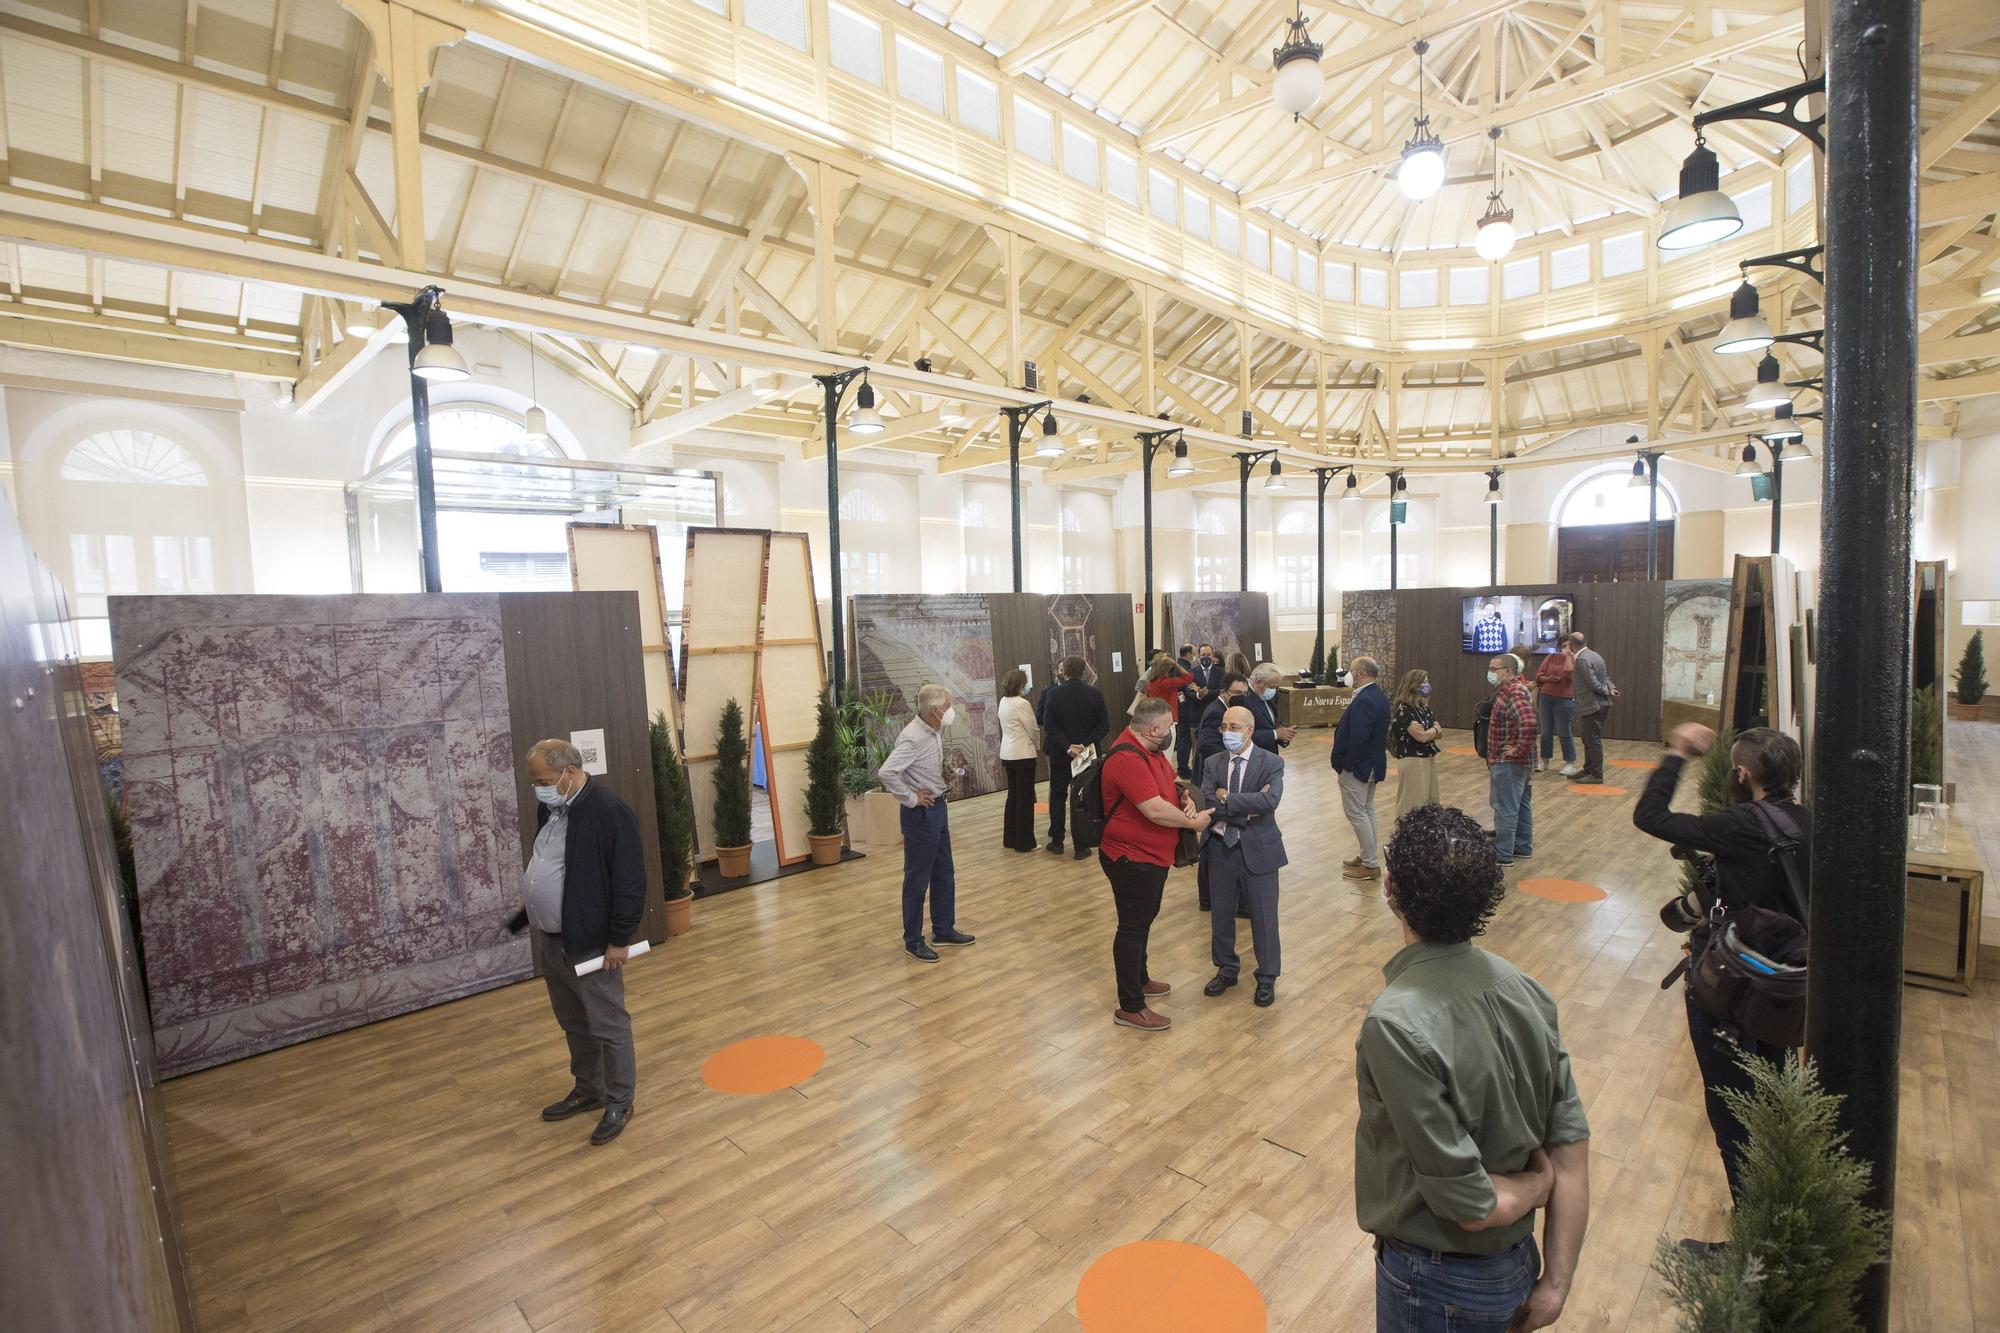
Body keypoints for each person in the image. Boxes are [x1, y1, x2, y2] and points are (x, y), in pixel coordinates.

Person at [1358, 803, 1591, 1332]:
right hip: (1517, 1266)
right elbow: (1571, 1153)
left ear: (1390, 889)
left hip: (1435, 1284)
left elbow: (1472, 1205)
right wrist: (1555, 1283)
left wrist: (1535, 1189)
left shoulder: (1395, 1024)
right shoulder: (1526, 989)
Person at [1634, 724, 1812, 1240]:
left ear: (1740, 774)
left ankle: (1756, 1238)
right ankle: (1779, 1210)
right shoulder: (1811, 822)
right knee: (1774, 1091)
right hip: (1789, 983)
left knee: (1731, 1106)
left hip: (1734, 989)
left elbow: (1651, 817)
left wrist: (1676, 754)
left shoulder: (1739, 826)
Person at [521, 738, 645, 1147]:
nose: (538, 788)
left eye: (543, 780)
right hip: (554, 939)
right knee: (573, 1022)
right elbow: (556, 869)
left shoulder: (610, 813)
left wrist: (618, 940)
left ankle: (620, 1100)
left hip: (592, 945)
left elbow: (629, 883)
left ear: (568, 773)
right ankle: (588, 1088)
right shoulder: (552, 808)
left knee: (608, 1025)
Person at [1098, 697, 1212, 1032]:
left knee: (1144, 919)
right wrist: (1193, 823)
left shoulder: (1151, 750)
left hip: (1151, 856)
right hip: (1131, 858)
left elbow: (1170, 787)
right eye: (1170, 726)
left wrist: (1185, 799)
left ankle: (1141, 977)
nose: (1173, 730)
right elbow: (1154, 810)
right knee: (1132, 926)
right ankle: (1130, 1006)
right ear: (1155, 728)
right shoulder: (1127, 758)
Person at [877, 683, 978, 962]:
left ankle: (943, 929)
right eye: (948, 705)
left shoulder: (933, 730)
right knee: (917, 878)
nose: (951, 710)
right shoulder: (913, 738)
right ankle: (913, 940)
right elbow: (887, 773)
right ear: (935, 710)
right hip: (921, 814)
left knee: (944, 872)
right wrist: (911, 797)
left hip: (938, 807)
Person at [1197, 706, 1287, 1007]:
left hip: (1259, 849)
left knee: (1264, 916)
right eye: (1224, 727)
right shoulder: (1212, 762)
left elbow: (1270, 801)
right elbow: (1206, 802)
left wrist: (1228, 798)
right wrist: (1247, 804)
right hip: (1221, 848)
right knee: (1221, 914)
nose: (1227, 733)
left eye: (1233, 727)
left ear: (1249, 730)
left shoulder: (1271, 762)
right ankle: (1226, 968)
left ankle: (1267, 977)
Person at [1040, 656, 1111, 859]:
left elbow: (1050, 727)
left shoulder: (1053, 694)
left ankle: (1057, 841)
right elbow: (1104, 725)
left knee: (1058, 795)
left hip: (1061, 754)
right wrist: (1085, 745)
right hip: (1087, 753)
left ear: (1065, 671)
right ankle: (1081, 844)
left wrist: (1068, 747)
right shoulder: (1095, 694)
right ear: (1084, 671)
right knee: (1084, 797)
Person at [1193, 671, 1251, 910]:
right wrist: (1227, 759)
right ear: (1225, 692)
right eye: (1237, 693)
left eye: (1244, 694)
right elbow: (1205, 743)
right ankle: (1208, 898)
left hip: (1225, 787)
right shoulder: (1217, 712)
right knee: (1210, 840)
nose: (1241, 698)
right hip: (1214, 782)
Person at [1331, 655, 1390, 882]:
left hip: (1359, 768)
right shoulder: (1377, 695)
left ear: (1361, 674)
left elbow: (1359, 738)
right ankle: (1368, 857)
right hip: (1371, 764)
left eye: (1351, 669)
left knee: (1357, 813)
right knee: (1367, 810)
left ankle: (1370, 864)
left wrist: (1347, 764)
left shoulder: (1365, 699)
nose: (1349, 673)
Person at [1486, 654, 1538, 865]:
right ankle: (1522, 846)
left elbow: (1529, 724)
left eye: (1493, 668)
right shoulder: (1512, 690)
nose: (1490, 672)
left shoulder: (1514, 692)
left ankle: (1503, 854)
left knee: (1505, 807)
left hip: (1510, 763)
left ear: (1508, 671)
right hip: (1517, 763)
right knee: (1522, 804)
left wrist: (1516, 751)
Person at [997, 668, 1040, 854]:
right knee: (1025, 798)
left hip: (1008, 753)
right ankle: (1025, 842)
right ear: (1020, 684)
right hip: (1023, 754)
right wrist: (1037, 746)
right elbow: (1033, 729)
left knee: (1013, 796)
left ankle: (1010, 838)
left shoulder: (1004, 701)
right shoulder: (1022, 704)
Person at [1389, 669, 1442, 816]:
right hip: (1412, 759)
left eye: (1427, 681)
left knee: (1429, 800)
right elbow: (1422, 736)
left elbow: (1438, 731)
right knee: (1412, 802)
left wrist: (1433, 731)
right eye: (1424, 682)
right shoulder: (1404, 709)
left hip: (1427, 757)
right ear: (1414, 685)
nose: (1427, 685)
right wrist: (1434, 730)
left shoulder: (1423, 708)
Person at [1568, 631, 1619, 784]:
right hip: (1597, 704)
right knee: (1588, 738)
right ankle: (1588, 769)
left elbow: (1593, 683)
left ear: (1571, 645)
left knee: (1593, 740)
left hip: (1593, 705)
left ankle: (1596, 774)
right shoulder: (1595, 655)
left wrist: (1606, 691)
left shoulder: (1582, 659)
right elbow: (1605, 678)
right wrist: (1611, 688)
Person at [1533, 641, 1579, 776]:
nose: (1566, 649)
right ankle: (1544, 760)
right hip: (1546, 697)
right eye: (1564, 646)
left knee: (1564, 732)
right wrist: (1548, 679)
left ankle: (1570, 763)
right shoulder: (1551, 657)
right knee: (1546, 731)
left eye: (1569, 646)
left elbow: (1568, 674)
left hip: (1564, 699)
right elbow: (1539, 675)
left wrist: (1570, 656)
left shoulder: (1576, 659)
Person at [1179, 641, 1223, 779]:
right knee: (1196, 752)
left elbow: (1221, 692)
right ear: (1198, 656)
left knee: (1216, 751)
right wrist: (1198, 694)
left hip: (1216, 718)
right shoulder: (1192, 672)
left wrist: (1205, 692)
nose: (1206, 657)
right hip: (1196, 718)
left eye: (1208, 654)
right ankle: (1197, 782)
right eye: (1203, 654)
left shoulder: (1220, 672)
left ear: (1213, 655)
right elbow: (1188, 692)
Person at [1243, 663, 1298, 754]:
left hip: (1270, 756)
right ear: (1258, 682)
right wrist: (1275, 734)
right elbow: (1243, 735)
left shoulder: (1264, 696)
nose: (1274, 690)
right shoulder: (1245, 700)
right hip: (1254, 757)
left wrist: (1284, 735)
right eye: (1272, 687)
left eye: (1276, 687)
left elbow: (1271, 724)